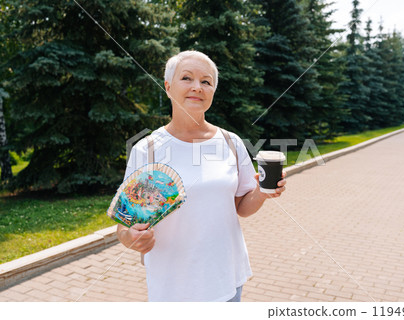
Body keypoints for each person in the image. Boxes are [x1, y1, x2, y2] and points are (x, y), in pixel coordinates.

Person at [116, 50, 287, 302]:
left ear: (212, 92)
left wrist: (262, 193)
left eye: (206, 81)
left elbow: (241, 206)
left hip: (226, 279)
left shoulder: (230, 142)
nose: (197, 87)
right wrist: (132, 238)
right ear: (168, 87)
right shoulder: (148, 150)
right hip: (172, 286)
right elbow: (125, 224)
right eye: (186, 78)